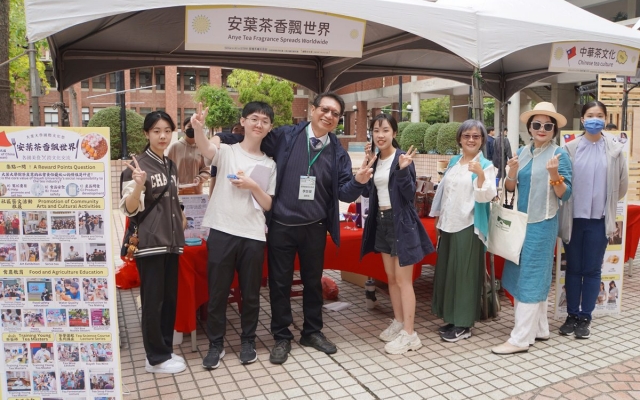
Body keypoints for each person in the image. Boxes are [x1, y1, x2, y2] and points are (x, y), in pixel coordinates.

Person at [215, 91, 375, 364]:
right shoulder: (287, 135)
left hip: (315, 227)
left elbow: (345, 193)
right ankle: (281, 336)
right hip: (282, 224)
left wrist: (359, 180)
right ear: (312, 110)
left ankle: (312, 332)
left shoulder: (338, 151)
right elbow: (253, 137)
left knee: (313, 282)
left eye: (335, 114)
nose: (328, 116)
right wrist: (218, 138)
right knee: (280, 284)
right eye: (324, 109)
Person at [192, 102, 277, 369]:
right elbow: (206, 149)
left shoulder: (270, 164)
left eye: (264, 121)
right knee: (217, 293)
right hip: (222, 230)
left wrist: (252, 186)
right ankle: (215, 345)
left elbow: (268, 204)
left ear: (270, 127)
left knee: (250, 294)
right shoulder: (227, 152)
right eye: (254, 118)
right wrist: (198, 128)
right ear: (243, 121)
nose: (259, 124)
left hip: (253, 234)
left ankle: (248, 342)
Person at [493, 102, 572, 354]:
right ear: (529, 127)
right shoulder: (521, 152)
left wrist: (554, 176)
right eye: (537, 124)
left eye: (548, 126)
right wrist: (512, 172)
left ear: (554, 130)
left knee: (532, 276)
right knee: (519, 273)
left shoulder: (559, 155)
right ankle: (540, 328)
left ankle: (520, 339)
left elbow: (565, 194)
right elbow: (510, 188)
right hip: (520, 222)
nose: (542, 129)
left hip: (542, 223)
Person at [361, 114, 434, 354]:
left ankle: (410, 335)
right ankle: (399, 322)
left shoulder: (402, 158)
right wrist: (366, 166)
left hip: (401, 223)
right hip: (382, 222)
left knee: (404, 281)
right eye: (376, 130)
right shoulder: (376, 160)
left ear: (394, 133)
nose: (380, 135)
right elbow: (367, 192)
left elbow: (409, 194)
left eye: (385, 130)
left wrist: (403, 170)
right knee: (391, 279)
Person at [120, 110, 187, 374]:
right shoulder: (137, 167)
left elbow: (173, 199)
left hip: (172, 242)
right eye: (157, 131)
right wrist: (138, 185)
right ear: (146, 133)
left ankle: (164, 350)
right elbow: (129, 208)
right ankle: (155, 358)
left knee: (169, 300)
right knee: (153, 302)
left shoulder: (170, 164)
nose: (162, 136)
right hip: (150, 243)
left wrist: (181, 218)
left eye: (167, 131)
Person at [558, 100, 627, 339]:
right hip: (573, 219)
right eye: (590, 115)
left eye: (599, 115)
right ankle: (571, 315)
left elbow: (622, 185)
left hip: (599, 219)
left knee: (592, 269)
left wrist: (606, 201)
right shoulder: (570, 148)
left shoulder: (615, 150)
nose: (594, 119)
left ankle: (585, 317)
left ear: (605, 119)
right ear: (582, 119)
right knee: (573, 268)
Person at [430, 120, 496, 342]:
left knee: (465, 275)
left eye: (476, 136)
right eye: (467, 135)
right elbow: (445, 193)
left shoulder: (486, 165)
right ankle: (451, 317)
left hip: (469, 225)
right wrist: (438, 220)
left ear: (482, 140)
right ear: (459, 138)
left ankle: (464, 324)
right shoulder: (454, 162)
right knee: (449, 273)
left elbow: (486, 196)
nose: (471, 140)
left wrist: (480, 175)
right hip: (448, 224)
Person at [167, 116, 211, 195]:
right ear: (184, 128)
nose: (192, 129)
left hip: (196, 192)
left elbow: (206, 170)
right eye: (189, 126)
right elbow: (167, 169)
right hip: (177, 192)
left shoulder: (202, 147)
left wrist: (199, 178)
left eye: (195, 127)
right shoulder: (175, 147)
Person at [208, 122, 245, 197]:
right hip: (224, 193)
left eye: (242, 129)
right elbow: (213, 177)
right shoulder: (222, 151)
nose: (239, 132)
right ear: (231, 133)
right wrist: (211, 196)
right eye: (236, 129)